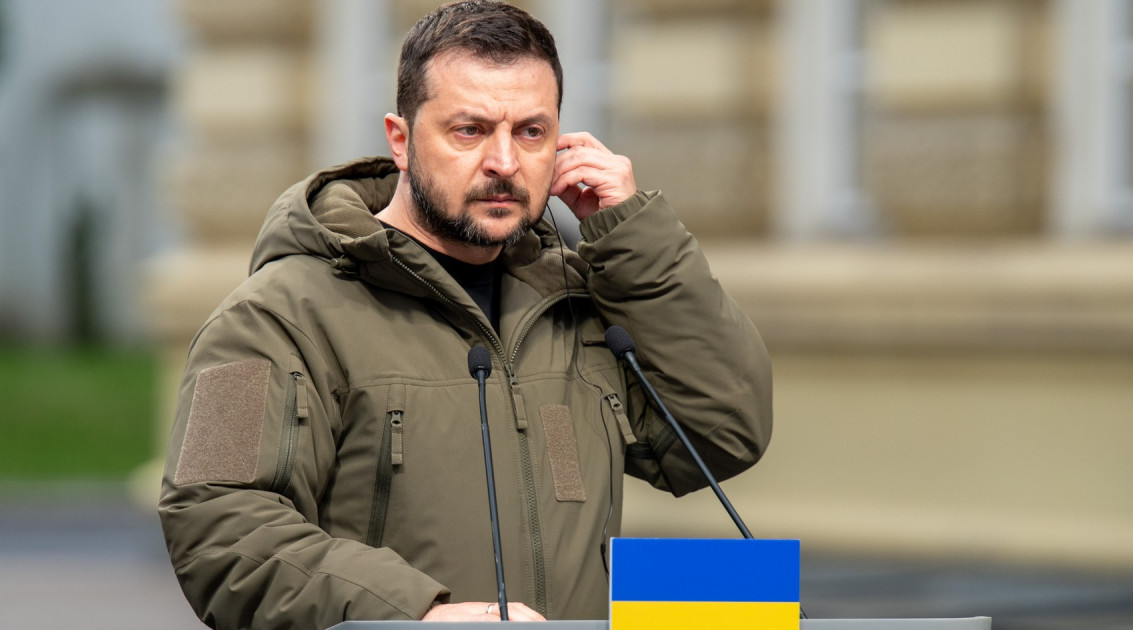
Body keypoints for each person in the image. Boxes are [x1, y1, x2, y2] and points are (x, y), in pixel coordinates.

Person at [158, 1, 772, 626]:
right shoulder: (269, 319)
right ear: (401, 140)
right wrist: (417, 615)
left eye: (530, 132)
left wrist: (636, 238)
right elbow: (219, 526)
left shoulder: (578, 299)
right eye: (470, 130)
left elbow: (724, 433)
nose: (504, 162)